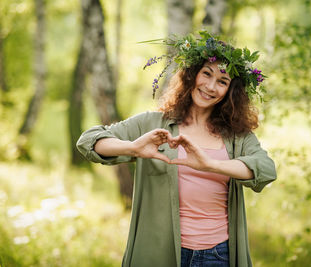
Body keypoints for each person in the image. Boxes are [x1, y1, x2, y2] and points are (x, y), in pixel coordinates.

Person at [76, 31, 276, 267]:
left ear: (230, 92)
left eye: (222, 81)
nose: (211, 86)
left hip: (218, 255)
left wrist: (210, 164)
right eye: (206, 74)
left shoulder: (237, 136)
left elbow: (265, 169)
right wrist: (134, 148)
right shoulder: (152, 123)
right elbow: (89, 141)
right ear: (192, 75)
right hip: (159, 252)